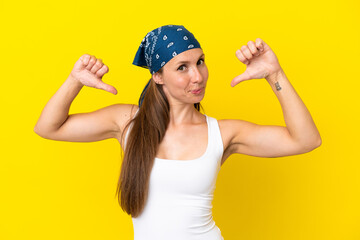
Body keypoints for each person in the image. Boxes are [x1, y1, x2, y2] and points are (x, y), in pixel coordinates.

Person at [34, 24, 322, 240]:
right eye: (182, 67)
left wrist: (275, 74)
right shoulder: (126, 121)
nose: (197, 76)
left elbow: (306, 139)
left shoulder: (222, 133)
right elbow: (48, 127)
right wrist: (74, 81)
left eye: (200, 62)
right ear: (157, 76)